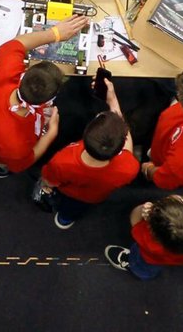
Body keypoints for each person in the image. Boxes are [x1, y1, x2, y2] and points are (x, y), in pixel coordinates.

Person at [0, 15, 88, 177]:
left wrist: (54, 33)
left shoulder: (6, 73)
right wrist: (51, 133)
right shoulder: (15, 144)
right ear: (49, 101)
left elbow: (14, 45)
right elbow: (20, 165)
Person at [36, 79, 139, 230]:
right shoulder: (129, 166)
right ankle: (65, 219)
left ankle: (65, 216)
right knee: (75, 209)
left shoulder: (63, 160)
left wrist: (45, 185)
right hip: (92, 197)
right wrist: (113, 100)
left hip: (68, 191)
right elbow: (127, 142)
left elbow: (49, 180)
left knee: (67, 204)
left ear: (85, 132)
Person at [105, 194, 183, 280]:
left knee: (145, 263)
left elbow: (134, 219)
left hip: (157, 257)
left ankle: (139, 270)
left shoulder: (151, 243)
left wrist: (143, 209)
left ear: (153, 230)